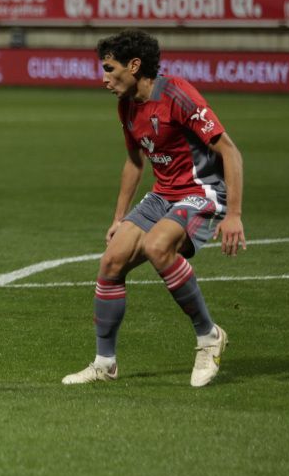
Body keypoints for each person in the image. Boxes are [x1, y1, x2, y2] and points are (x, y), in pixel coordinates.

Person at [62, 29, 245, 388]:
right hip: (163, 194)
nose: (104, 79)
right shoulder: (127, 105)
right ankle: (105, 363)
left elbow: (229, 150)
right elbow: (135, 161)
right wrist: (118, 218)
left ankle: (209, 336)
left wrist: (234, 215)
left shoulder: (177, 94)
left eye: (109, 69)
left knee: (157, 246)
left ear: (134, 66)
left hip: (201, 191)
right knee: (111, 262)